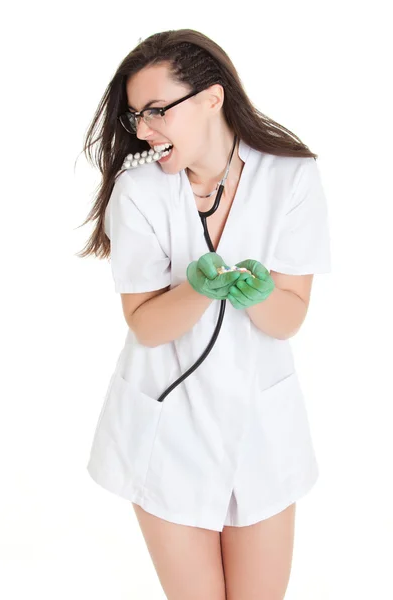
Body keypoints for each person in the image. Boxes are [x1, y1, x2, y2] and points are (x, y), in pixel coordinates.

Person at [78, 28, 331, 600]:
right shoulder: (138, 192)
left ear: (211, 98)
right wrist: (198, 288)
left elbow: (289, 319)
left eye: (155, 111)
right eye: (135, 118)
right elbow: (144, 324)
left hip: (261, 430)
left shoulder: (291, 178)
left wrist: (259, 294)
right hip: (167, 429)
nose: (143, 131)